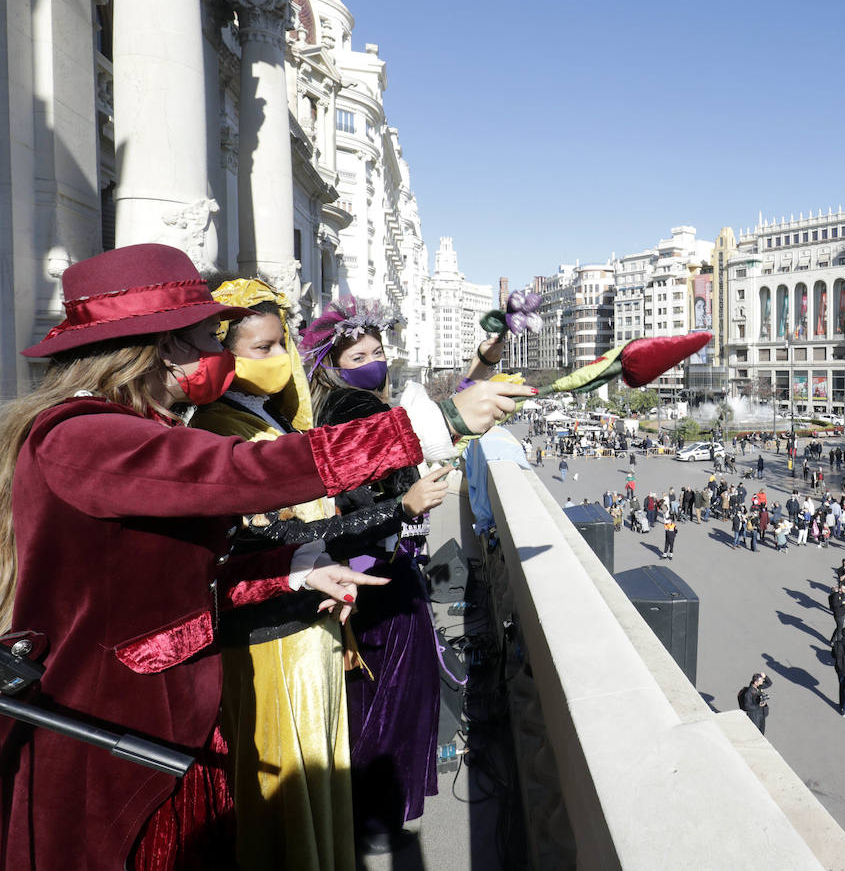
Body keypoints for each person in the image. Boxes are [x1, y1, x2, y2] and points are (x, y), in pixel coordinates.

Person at [0, 245, 523, 870]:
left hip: (172, 717)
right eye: (204, 334)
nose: (215, 350)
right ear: (166, 347)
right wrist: (427, 423)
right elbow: (243, 472)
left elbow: (179, 580)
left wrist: (291, 572)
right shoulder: (83, 435)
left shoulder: (121, 428)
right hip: (111, 732)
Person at [194, 279, 458, 869]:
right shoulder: (217, 429)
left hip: (319, 615)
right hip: (275, 638)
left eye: (280, 343)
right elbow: (264, 537)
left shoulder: (269, 415)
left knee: (327, 767)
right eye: (261, 348)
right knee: (297, 778)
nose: (278, 358)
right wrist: (399, 507)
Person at [302, 296, 529, 854]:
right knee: (390, 691)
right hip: (370, 573)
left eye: (378, 350)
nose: (374, 360)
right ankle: (373, 816)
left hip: (384, 567)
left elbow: (431, 423)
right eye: (360, 354)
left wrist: (485, 355)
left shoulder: (366, 404)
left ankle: (374, 812)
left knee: (396, 687)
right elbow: (365, 490)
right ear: (333, 364)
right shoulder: (350, 411)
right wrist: (403, 505)